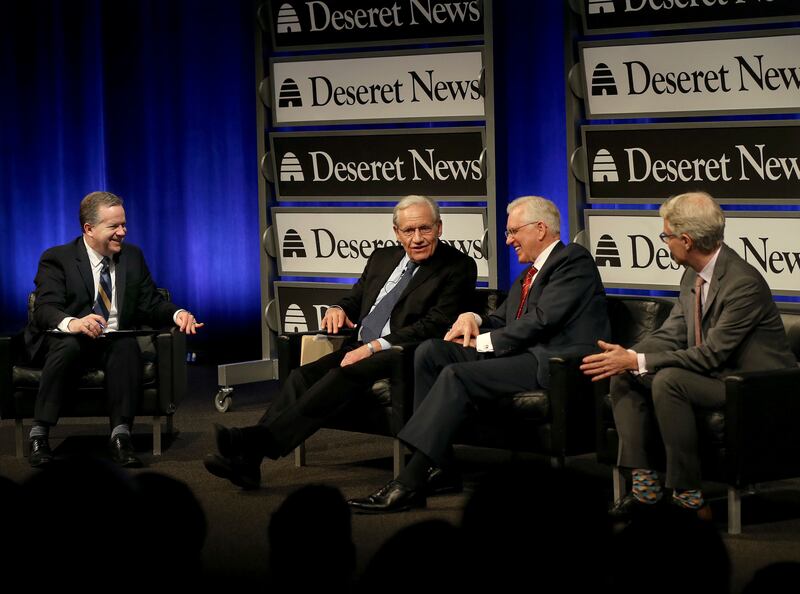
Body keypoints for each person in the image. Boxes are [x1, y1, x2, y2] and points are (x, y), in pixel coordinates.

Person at [347, 195, 610, 513]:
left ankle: (409, 481)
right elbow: (504, 319)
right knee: (431, 352)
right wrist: (475, 318)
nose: (508, 239)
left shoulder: (573, 261)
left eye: (514, 231)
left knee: (457, 375)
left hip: (553, 361)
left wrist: (484, 343)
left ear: (540, 229)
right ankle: (442, 468)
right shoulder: (528, 275)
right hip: (520, 354)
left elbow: (542, 320)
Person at [205, 195, 477, 489]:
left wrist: (374, 346)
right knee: (300, 376)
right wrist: (339, 309)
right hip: (358, 347)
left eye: (425, 229)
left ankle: (253, 441)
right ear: (397, 232)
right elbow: (355, 298)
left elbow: (433, 325)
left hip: (401, 354)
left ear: (439, 228)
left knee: (341, 375)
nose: (418, 238)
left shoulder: (458, 266)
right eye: (409, 231)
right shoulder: (382, 258)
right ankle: (248, 464)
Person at [581, 191, 795, 518]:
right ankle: (645, 489)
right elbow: (673, 332)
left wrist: (638, 361)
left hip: (752, 385)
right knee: (623, 372)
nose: (664, 243)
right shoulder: (692, 275)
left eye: (666, 236)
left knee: (668, 380)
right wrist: (627, 356)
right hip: (714, 375)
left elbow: (711, 354)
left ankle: (688, 496)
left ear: (686, 240)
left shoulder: (742, 284)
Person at [23, 191, 202, 468]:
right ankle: (40, 434)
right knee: (69, 345)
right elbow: (45, 308)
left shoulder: (132, 256)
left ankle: (121, 436)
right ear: (89, 229)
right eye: (114, 226)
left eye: (124, 224)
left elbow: (151, 303)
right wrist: (76, 323)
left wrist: (178, 313)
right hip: (70, 338)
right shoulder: (58, 258)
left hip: (112, 339)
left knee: (125, 344)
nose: (123, 232)